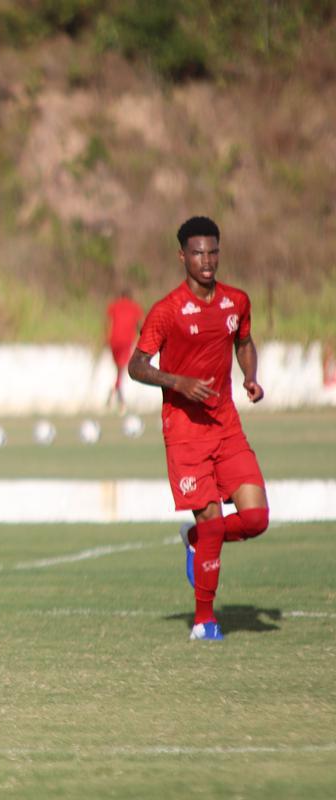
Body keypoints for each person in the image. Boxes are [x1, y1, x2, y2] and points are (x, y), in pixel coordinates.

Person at [128, 216, 269, 643]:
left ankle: (197, 537)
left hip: (226, 424)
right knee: (211, 515)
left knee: (256, 518)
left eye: (213, 252)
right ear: (182, 256)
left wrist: (249, 377)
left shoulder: (236, 301)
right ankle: (205, 620)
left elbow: (243, 342)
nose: (206, 261)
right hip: (185, 431)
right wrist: (178, 382)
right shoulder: (166, 311)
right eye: (197, 253)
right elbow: (136, 366)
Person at [105, 288, 142, 413]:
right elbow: (139, 325)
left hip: (113, 341)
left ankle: (118, 397)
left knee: (118, 369)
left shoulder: (113, 306)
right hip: (126, 342)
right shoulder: (135, 307)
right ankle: (114, 395)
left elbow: (109, 323)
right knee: (121, 369)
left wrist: (106, 339)